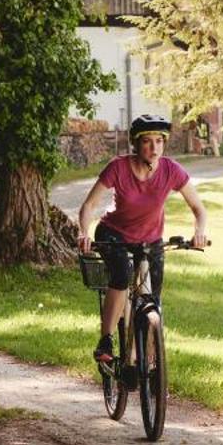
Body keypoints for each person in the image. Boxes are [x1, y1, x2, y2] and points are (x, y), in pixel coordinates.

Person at [76, 114, 211, 367]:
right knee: (122, 276)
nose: (154, 148)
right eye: (147, 142)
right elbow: (89, 206)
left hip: (150, 240)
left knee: (152, 298)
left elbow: (199, 209)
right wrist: (83, 232)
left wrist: (199, 232)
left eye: (159, 141)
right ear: (136, 145)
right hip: (114, 235)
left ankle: (144, 359)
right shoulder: (118, 167)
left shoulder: (171, 170)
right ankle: (105, 340)